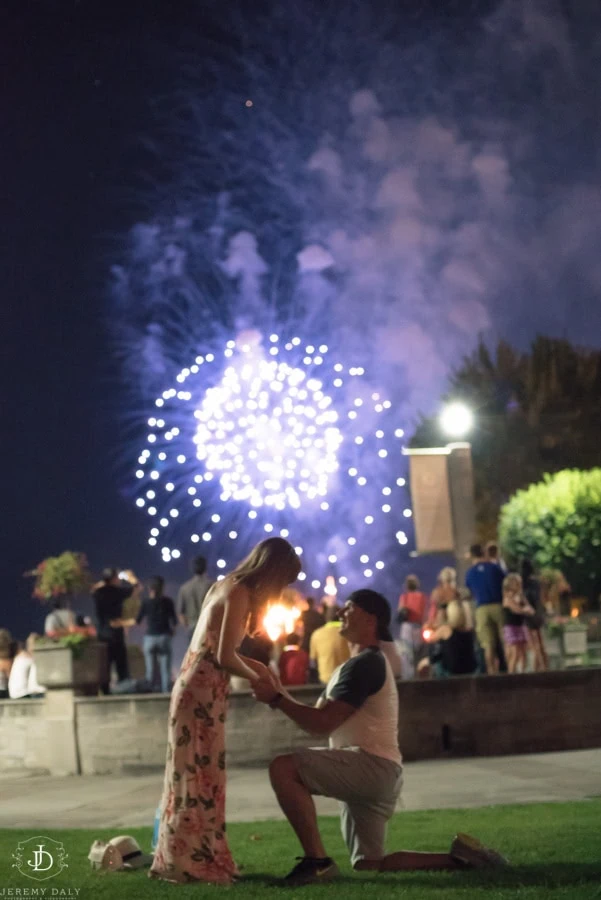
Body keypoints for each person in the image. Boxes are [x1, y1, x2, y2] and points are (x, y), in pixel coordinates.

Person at [253, 588, 507, 886]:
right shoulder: (360, 663)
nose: (341, 614)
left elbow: (321, 724)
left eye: (349, 608)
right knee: (369, 864)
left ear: (370, 618)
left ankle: (316, 862)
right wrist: (279, 694)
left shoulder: (366, 664)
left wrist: (278, 699)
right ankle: (463, 859)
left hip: (370, 766)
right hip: (378, 769)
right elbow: (319, 719)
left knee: (283, 769)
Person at [150, 537, 301, 885]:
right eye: (285, 581)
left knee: (194, 772)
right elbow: (223, 657)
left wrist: (262, 670)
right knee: (198, 774)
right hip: (201, 690)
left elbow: (216, 648)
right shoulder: (240, 593)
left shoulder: (225, 584)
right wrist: (262, 677)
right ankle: (193, 862)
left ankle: (194, 857)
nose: (282, 589)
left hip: (197, 686)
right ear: (274, 571)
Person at [92, 568, 140, 694]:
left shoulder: (98, 593)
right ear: (114, 579)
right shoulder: (117, 592)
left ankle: (105, 690)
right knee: (121, 663)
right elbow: (136, 588)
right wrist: (131, 577)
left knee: (105, 664)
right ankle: (123, 687)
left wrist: (104, 582)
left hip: (102, 633)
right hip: (115, 632)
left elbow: (94, 588)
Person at [465, 544, 505, 674]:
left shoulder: (470, 573)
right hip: (498, 606)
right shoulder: (494, 568)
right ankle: (509, 670)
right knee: (505, 639)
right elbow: (506, 582)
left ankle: (491, 672)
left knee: (487, 644)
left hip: (481, 608)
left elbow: (469, 592)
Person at [137, 576, 178, 693]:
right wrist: (172, 632)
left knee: (150, 670)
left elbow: (138, 620)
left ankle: (150, 693)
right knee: (165, 670)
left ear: (150, 588)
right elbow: (174, 621)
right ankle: (165, 694)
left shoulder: (145, 602)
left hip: (150, 637)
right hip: (164, 637)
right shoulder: (168, 602)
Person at [425, 599, 477, 677]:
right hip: (470, 668)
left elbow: (430, 639)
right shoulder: (468, 630)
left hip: (452, 670)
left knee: (432, 663)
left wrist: (431, 625)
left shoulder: (445, 630)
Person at [502, 573, 535, 673]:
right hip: (511, 627)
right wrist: (525, 609)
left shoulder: (521, 596)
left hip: (521, 625)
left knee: (523, 652)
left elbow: (531, 610)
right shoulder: (507, 597)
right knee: (515, 652)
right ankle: (510, 675)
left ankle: (522, 673)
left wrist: (525, 609)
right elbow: (516, 610)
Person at [309, 606, 350, 685]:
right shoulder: (348, 633)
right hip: (345, 678)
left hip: (325, 679)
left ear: (326, 617)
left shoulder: (317, 634)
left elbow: (313, 662)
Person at [177, 556, 213, 641]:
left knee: (192, 653)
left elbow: (180, 612)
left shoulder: (185, 587)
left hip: (192, 625)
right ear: (205, 567)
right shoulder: (212, 586)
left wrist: (187, 625)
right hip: (207, 625)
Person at [521, 560, 547, 672]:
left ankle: (538, 669)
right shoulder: (535, 583)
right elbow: (540, 599)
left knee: (533, 645)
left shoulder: (520, 583)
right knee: (540, 643)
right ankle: (543, 667)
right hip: (536, 613)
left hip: (526, 615)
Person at [8, 634, 45, 699]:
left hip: (14, 694)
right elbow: (35, 687)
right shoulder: (29, 659)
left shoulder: (20, 657)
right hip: (23, 694)